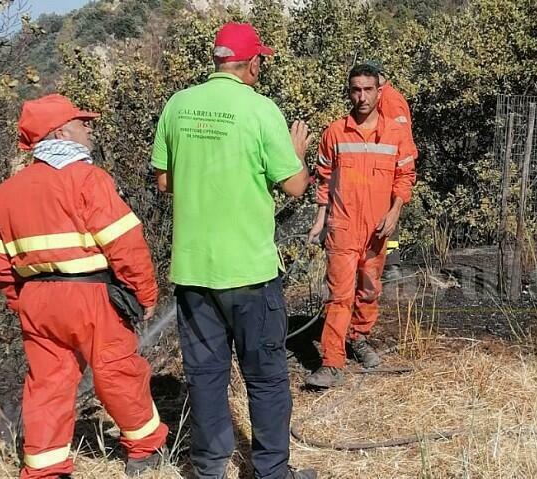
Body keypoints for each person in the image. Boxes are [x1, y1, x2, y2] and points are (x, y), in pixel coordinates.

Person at [151, 22, 315, 479]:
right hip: (249, 272)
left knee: (205, 380)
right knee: (265, 380)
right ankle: (271, 472)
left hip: (193, 271)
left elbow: (164, 181)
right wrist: (296, 151)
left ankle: (208, 471)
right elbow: (296, 187)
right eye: (260, 59)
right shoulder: (261, 111)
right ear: (251, 63)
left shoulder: (178, 105)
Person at [0, 94, 168, 478]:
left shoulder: (8, 191)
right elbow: (126, 244)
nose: (90, 129)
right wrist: (145, 293)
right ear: (60, 132)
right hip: (90, 296)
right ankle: (143, 450)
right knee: (117, 370)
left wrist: (21, 304)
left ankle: (44, 468)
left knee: (47, 383)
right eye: (82, 123)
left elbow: (1, 264)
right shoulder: (87, 178)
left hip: (36, 299)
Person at [305, 63, 418, 388]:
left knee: (369, 291)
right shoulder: (334, 133)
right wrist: (319, 220)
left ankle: (358, 337)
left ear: (379, 92)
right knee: (339, 296)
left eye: (368, 90)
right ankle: (331, 363)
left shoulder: (394, 134)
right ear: (349, 92)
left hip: (377, 230)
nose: (362, 96)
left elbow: (405, 176)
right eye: (356, 90)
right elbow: (324, 180)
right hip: (342, 228)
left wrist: (395, 211)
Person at [371, 62, 413, 281]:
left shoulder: (390, 100)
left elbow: (400, 135)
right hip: (391, 161)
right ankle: (389, 263)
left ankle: (391, 265)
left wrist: (398, 164)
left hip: (393, 163)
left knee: (389, 211)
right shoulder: (386, 97)